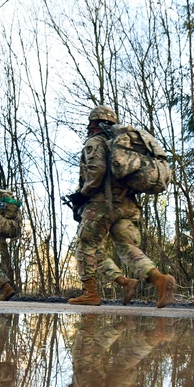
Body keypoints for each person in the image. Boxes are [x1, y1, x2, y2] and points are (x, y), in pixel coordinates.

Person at [66, 105, 176, 308]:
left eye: (90, 123)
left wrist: (83, 195)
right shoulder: (123, 145)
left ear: (94, 123)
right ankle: (158, 279)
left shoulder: (96, 142)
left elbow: (97, 171)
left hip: (102, 204)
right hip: (128, 205)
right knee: (126, 247)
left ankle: (90, 293)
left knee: (86, 245)